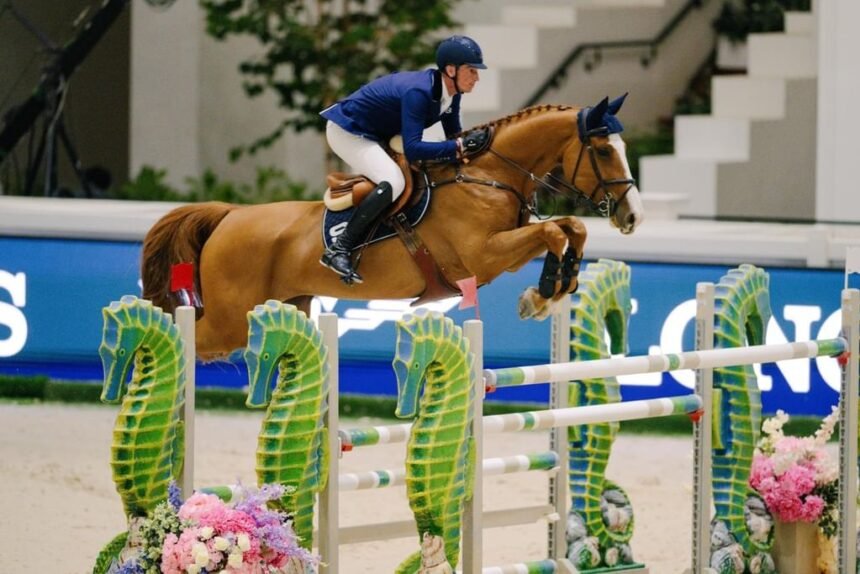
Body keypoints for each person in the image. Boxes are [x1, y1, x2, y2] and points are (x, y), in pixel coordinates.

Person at [319, 35, 488, 284]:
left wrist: (469, 147)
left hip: (380, 130)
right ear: (451, 70)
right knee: (394, 181)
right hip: (349, 132)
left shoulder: (452, 93)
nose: (477, 78)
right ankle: (339, 249)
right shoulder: (419, 92)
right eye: (471, 70)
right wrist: (460, 146)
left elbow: (454, 135)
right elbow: (414, 149)